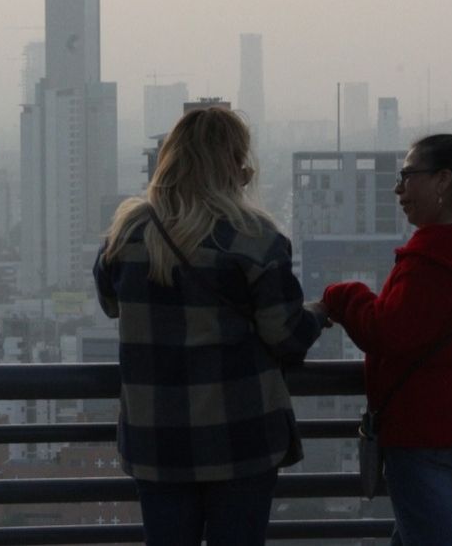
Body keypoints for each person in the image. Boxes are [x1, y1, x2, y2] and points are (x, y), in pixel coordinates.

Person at [93, 107, 326, 546]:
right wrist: (319, 313)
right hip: (240, 435)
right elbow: (286, 337)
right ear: (235, 165)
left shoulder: (127, 232)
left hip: (157, 436)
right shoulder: (255, 237)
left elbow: (110, 304)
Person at [321, 133, 452, 546]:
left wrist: (341, 295)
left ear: (443, 180)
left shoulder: (433, 255)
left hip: (423, 433)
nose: (398, 189)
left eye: (407, 176)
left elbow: (384, 331)